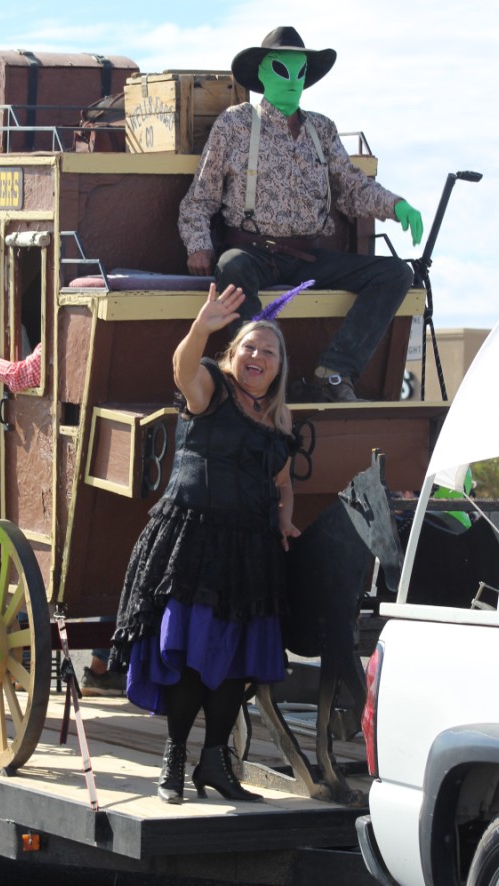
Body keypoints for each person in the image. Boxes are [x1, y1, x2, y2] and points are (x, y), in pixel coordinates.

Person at [110, 282, 300, 803]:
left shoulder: (277, 422)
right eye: (250, 348)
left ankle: (215, 763)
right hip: (192, 540)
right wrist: (202, 325)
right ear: (231, 354)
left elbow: (283, 487)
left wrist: (284, 521)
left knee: (234, 664)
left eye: (269, 352)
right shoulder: (209, 389)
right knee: (192, 655)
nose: (258, 357)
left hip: (249, 552)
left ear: (279, 366)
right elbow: (181, 367)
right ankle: (173, 761)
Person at [178, 26, 424, 403]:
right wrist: (198, 244)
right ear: (261, 73)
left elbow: (352, 187)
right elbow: (200, 199)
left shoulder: (322, 129)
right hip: (253, 252)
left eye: (300, 72)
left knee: (395, 274)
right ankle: (255, 381)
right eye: (281, 70)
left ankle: (335, 372)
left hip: (308, 257)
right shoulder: (235, 124)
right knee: (232, 267)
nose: (292, 81)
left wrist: (396, 205)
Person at [0, 337, 126, 697]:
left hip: (51, 447)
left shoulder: (60, 336)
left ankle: (27, 649)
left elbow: (23, 376)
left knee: (30, 556)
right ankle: (102, 664)